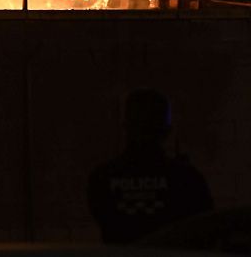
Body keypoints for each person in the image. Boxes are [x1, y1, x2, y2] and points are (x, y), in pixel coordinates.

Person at [87, 89, 213, 244]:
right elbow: (204, 227)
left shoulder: (101, 178)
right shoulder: (187, 179)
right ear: (166, 130)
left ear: (126, 126)